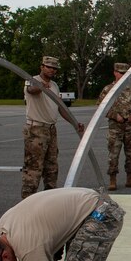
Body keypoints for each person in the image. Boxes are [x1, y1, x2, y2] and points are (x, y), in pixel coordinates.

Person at [22, 56, 83, 199]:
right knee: (33, 168)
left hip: (50, 130)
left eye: (54, 68)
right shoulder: (32, 80)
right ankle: (27, 202)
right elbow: (32, 90)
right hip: (36, 130)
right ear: (42, 66)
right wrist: (42, 86)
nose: (52, 70)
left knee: (51, 168)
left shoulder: (54, 85)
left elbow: (60, 108)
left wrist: (75, 123)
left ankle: (49, 200)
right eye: (49, 67)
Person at [98, 62, 131, 191]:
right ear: (115, 73)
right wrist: (114, 115)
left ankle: (130, 178)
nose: (123, 76)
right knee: (113, 154)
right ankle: (113, 180)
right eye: (121, 73)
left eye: (125, 74)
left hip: (130, 127)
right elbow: (102, 108)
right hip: (115, 128)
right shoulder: (108, 89)